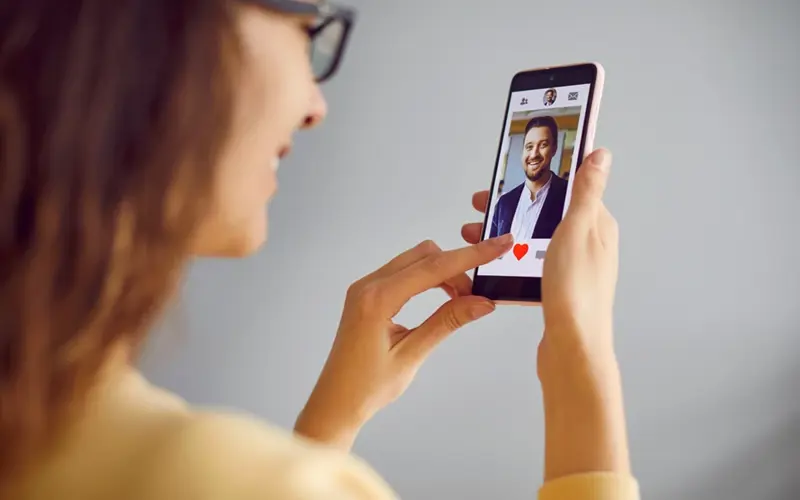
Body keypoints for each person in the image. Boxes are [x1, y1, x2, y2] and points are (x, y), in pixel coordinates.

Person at [0, 1, 638, 500]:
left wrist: (328, 427)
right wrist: (582, 357)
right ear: (158, 41)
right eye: (308, 30)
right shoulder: (225, 478)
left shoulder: (44, 433)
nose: (316, 106)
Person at [490, 116, 568, 241]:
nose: (534, 154)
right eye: (529, 147)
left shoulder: (569, 195)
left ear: (554, 149)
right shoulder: (504, 203)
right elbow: (491, 246)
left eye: (543, 145)